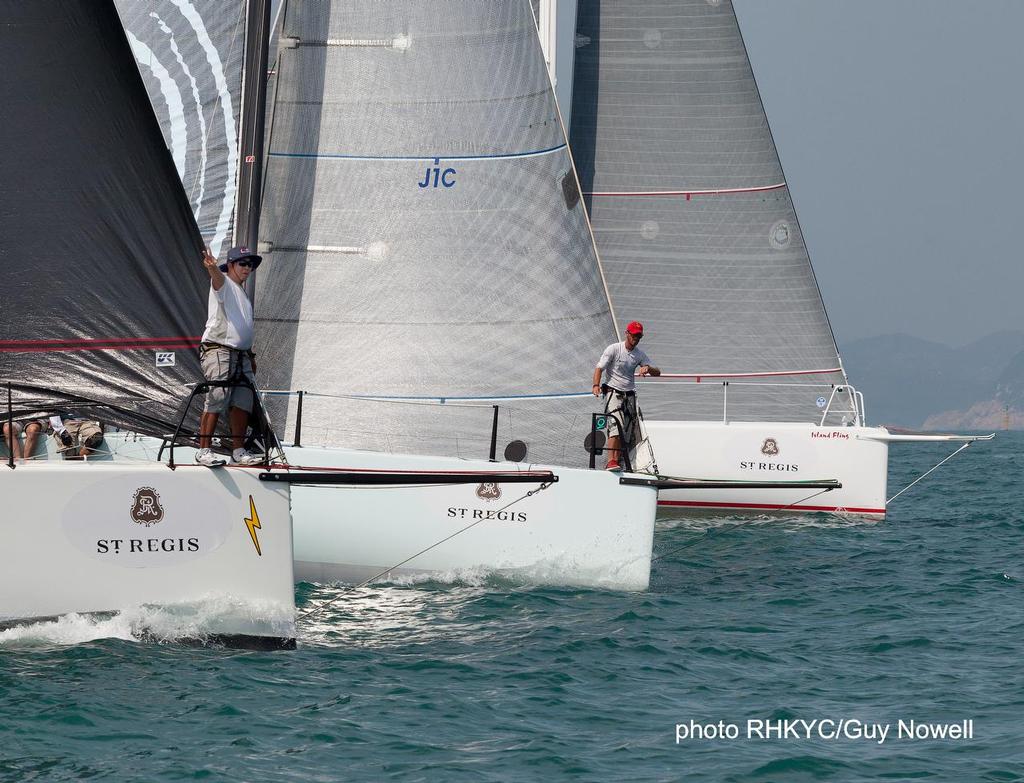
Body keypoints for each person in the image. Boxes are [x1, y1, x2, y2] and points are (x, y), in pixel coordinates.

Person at [195, 245, 265, 467]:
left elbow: (241, 327)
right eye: (243, 263)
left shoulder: (242, 292)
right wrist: (213, 267)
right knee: (217, 396)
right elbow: (216, 280)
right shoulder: (224, 282)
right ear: (231, 265)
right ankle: (203, 451)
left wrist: (250, 354)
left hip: (241, 354)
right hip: (219, 349)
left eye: (251, 265)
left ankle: (238, 451)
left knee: (243, 401)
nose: (248, 268)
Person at [592, 321, 660, 470]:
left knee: (627, 430)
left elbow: (658, 372)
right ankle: (611, 461)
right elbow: (599, 367)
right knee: (616, 425)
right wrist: (596, 385)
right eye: (634, 335)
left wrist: (647, 368)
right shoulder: (614, 349)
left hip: (629, 395)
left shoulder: (639, 354)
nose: (636, 338)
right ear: (627, 333)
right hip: (613, 392)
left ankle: (621, 461)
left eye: (639, 336)